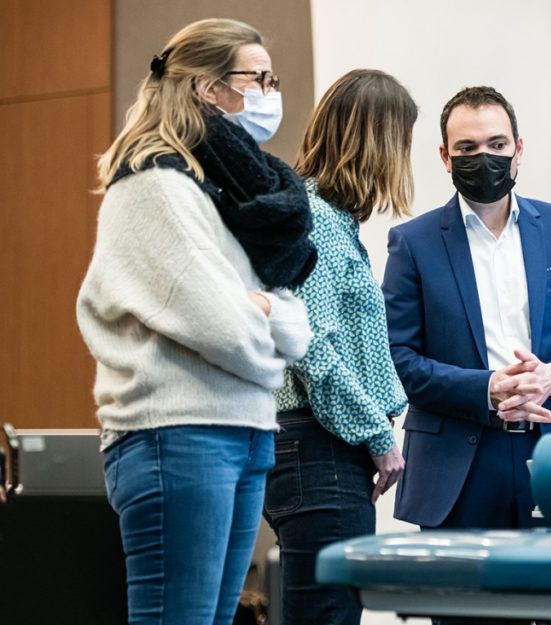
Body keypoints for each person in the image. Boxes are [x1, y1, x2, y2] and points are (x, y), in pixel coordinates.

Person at [76, 19, 315, 624]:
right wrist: (265, 325)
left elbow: (294, 321)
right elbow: (226, 327)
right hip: (178, 432)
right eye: (256, 79)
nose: (268, 92)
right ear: (210, 89)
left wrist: (263, 312)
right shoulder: (155, 182)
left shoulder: (217, 190)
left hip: (244, 426)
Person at [382, 86, 551, 532]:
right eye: (467, 148)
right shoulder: (413, 243)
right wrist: (488, 387)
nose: (484, 158)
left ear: (518, 149)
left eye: (496, 145)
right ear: (445, 156)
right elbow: (398, 358)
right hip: (457, 466)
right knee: (464, 603)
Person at [263, 69, 415, 625]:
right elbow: (314, 347)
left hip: (312, 449)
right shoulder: (320, 224)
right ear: (378, 142)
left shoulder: (325, 219)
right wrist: (378, 438)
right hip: (319, 447)